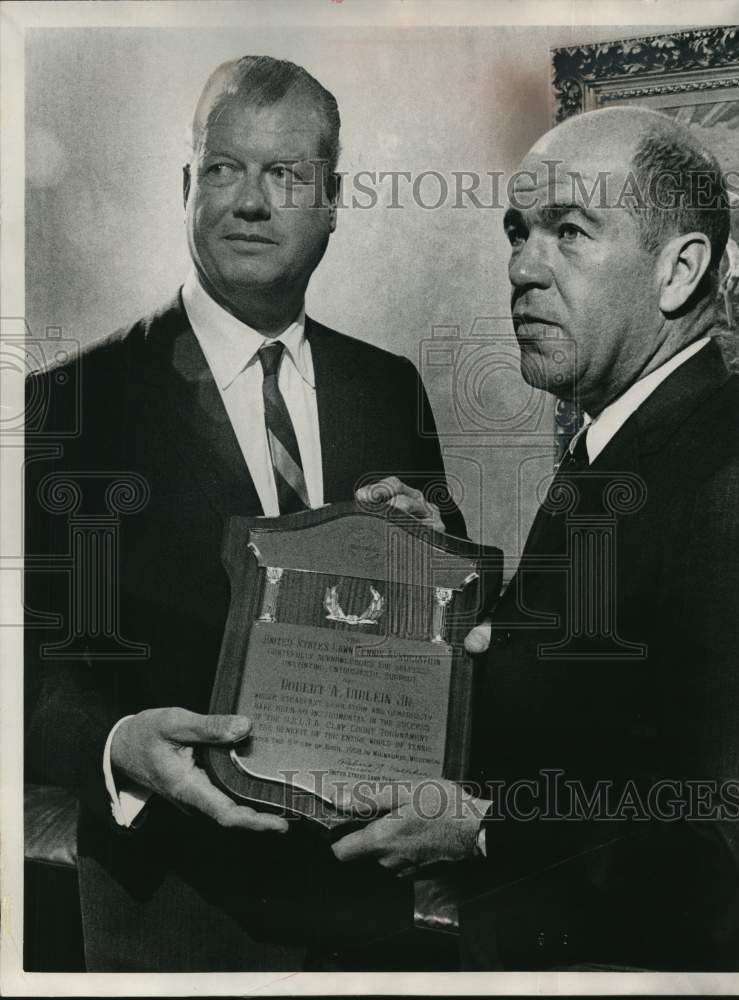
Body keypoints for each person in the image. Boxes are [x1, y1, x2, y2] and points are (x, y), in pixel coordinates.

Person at [24, 55, 464, 972]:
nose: (251, 201)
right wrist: (117, 745)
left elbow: (447, 635)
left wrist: (433, 556)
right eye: (224, 169)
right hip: (167, 912)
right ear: (188, 188)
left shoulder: (389, 391)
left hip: (360, 906)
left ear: (334, 200)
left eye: (286, 173)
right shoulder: (71, 403)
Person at [331, 106, 739, 972]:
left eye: (570, 231)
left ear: (680, 271)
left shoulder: (737, 485)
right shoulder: (624, 439)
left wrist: (487, 828)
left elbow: (729, 845)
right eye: (519, 232)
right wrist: (442, 575)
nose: (523, 268)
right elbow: (604, 695)